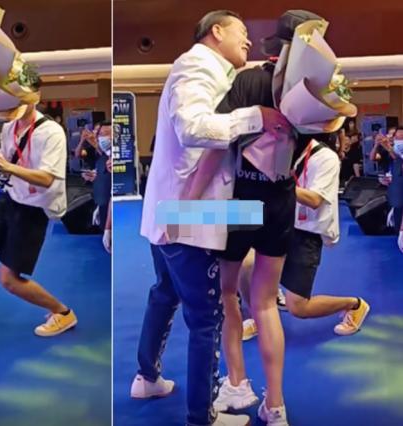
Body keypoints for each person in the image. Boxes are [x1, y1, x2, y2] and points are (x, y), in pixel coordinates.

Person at [135, 10, 290, 426]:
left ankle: (147, 376)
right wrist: (256, 116)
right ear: (216, 31)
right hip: (187, 213)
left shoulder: (219, 72)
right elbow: (193, 128)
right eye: (242, 32)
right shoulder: (196, 65)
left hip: (175, 209)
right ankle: (200, 416)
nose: (249, 40)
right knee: (207, 318)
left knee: (165, 292)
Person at [211, 10, 324, 426]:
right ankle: (275, 405)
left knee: (227, 294)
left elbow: (217, 131)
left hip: (241, 197)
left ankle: (237, 382)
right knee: (265, 303)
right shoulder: (314, 93)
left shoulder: (249, 81)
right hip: (281, 201)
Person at [239, 132, 370, 339]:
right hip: (279, 221)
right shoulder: (282, 152)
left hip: (306, 233)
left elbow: (314, 200)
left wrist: (278, 185)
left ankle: (354, 305)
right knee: (245, 264)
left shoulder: (326, 158)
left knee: (299, 307)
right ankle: (259, 317)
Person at [0, 100, 78, 338]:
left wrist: (8, 167)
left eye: (20, 99)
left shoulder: (51, 132)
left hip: (34, 208)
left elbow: (47, 179)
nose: (14, 105)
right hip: (10, 197)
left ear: (34, 98)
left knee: (9, 280)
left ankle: (63, 312)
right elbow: (6, 161)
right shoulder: (9, 127)